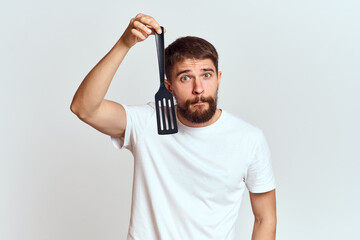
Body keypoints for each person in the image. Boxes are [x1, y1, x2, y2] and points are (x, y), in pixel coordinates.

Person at [71, 13, 277, 240]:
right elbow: (84, 108)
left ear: (218, 79)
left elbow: (264, 218)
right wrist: (124, 44)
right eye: (186, 78)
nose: (199, 88)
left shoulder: (248, 139)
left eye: (206, 75)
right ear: (168, 86)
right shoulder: (148, 122)